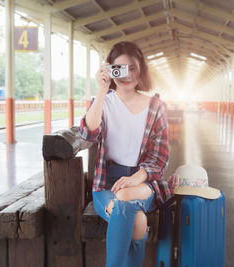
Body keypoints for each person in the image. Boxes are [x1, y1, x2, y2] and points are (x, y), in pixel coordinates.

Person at [79, 41, 169, 267]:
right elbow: (89, 133)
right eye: (119, 69)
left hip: (141, 181)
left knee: (126, 196)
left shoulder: (156, 106)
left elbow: (159, 160)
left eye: (133, 68)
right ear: (110, 70)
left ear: (142, 71)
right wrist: (101, 90)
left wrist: (135, 178)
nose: (127, 75)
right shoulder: (104, 103)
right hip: (106, 185)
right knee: (136, 218)